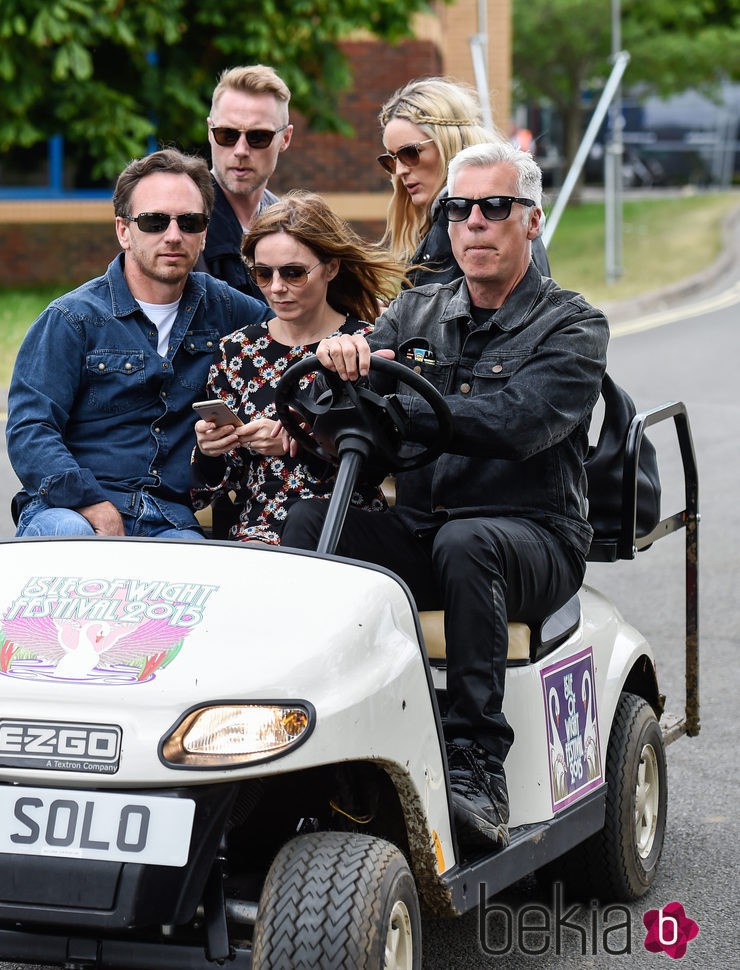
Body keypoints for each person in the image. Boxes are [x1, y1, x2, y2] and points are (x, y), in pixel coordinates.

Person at [281, 142, 608, 852]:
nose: (476, 223)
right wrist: (341, 378)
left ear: (532, 221)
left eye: (496, 208)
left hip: (534, 540)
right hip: (425, 529)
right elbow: (356, 420)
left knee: (471, 542)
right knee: (307, 522)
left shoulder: (573, 325)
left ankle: (476, 763)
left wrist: (409, 409)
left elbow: (521, 423)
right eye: (460, 210)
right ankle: (317, 734)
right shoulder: (413, 312)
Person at [6, 148, 271, 540]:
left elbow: (294, 331)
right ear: (123, 230)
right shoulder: (72, 319)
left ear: (204, 234)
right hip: (71, 508)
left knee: (200, 577)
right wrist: (90, 503)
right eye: (153, 221)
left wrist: (348, 342)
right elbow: (30, 429)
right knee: (69, 537)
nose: (173, 235)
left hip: (170, 520)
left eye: (190, 222)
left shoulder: (227, 308)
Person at [191, 190, 408, 544]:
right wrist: (210, 449)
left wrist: (307, 438)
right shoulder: (237, 352)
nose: (277, 288)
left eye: (294, 273)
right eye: (263, 274)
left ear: (332, 268)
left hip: (342, 533)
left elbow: (387, 463)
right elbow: (207, 489)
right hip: (254, 538)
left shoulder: (366, 345)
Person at [376, 76, 550, 287]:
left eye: (411, 153)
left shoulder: (461, 212)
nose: (400, 170)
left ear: (447, 142)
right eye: (391, 160)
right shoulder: (504, 206)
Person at [196, 64, 294, 300]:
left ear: (285, 138)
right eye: (227, 135)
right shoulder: (181, 220)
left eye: (258, 136)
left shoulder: (294, 226)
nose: (241, 150)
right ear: (210, 131)